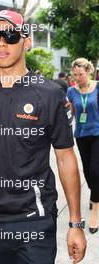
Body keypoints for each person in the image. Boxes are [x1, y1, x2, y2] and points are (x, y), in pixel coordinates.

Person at [0, 10, 86, 264]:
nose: (1, 43)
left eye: (9, 35)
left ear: (26, 41)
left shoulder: (49, 94)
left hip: (36, 219)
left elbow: (65, 159)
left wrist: (75, 223)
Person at [67, 58, 99, 234]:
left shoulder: (98, 87)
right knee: (87, 172)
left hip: (97, 134)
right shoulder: (71, 91)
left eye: (80, 74)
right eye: (75, 75)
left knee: (95, 171)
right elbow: (72, 113)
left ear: (88, 71)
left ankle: (95, 210)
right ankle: (96, 192)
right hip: (81, 135)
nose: (77, 78)